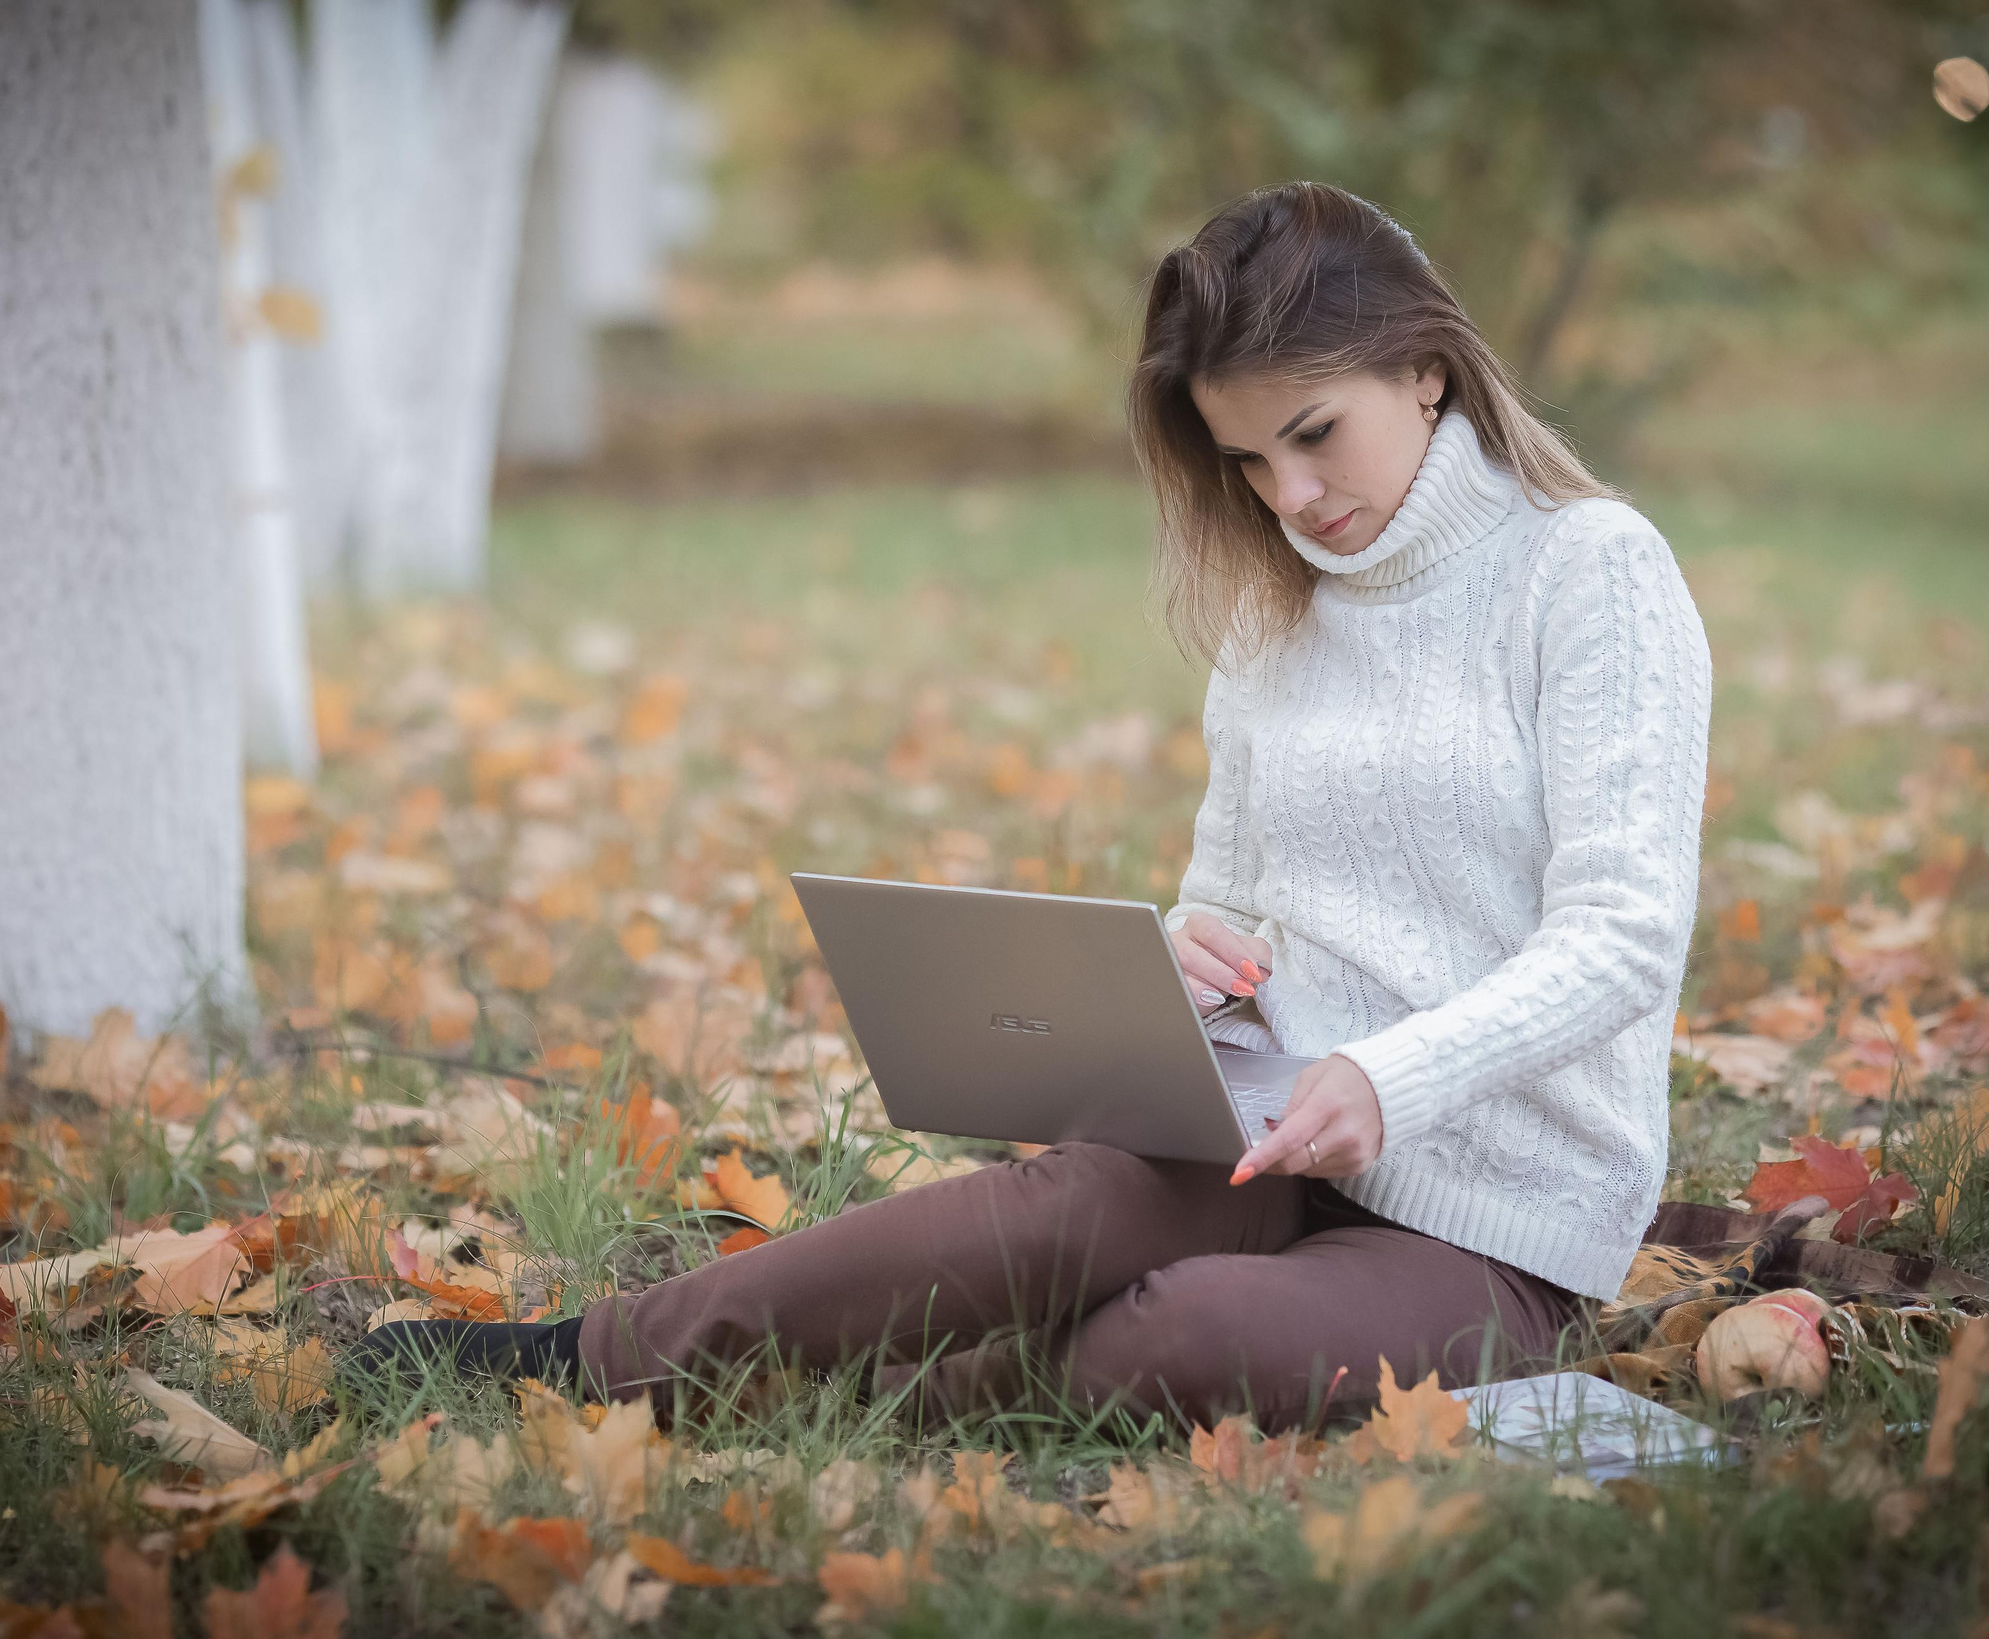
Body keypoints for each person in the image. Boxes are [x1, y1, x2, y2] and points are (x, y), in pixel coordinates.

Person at [353, 182, 1714, 1432]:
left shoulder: (1587, 572)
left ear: (1426, 371)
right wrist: (1187, 963)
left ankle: (871, 1394)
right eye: (1246, 462)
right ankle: (584, 1360)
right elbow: (1235, 898)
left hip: (1492, 1225)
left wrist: (1389, 1077)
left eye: (1312, 437)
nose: (1292, 498)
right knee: (1053, 1206)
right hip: (1260, 1144)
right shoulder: (1278, 602)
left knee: (1172, 1341)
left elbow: (1621, 937)